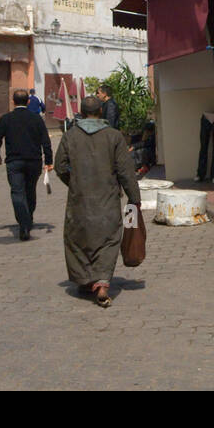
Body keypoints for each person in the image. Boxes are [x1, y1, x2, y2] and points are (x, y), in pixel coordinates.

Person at [53, 96, 141, 307]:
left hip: (79, 200)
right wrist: (134, 198)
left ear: (82, 113)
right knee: (109, 239)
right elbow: (126, 172)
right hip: (108, 199)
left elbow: (60, 167)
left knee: (78, 239)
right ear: (101, 112)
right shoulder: (114, 136)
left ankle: (85, 279)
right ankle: (101, 282)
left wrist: (74, 183)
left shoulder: (70, 136)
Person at [0, 89, 54, 241]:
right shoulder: (36, 119)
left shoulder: (6, 119)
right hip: (34, 161)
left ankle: (24, 223)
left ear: (13, 102)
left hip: (14, 161)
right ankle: (28, 217)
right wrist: (49, 161)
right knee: (30, 190)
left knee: (17, 192)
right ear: (28, 101)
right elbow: (46, 141)